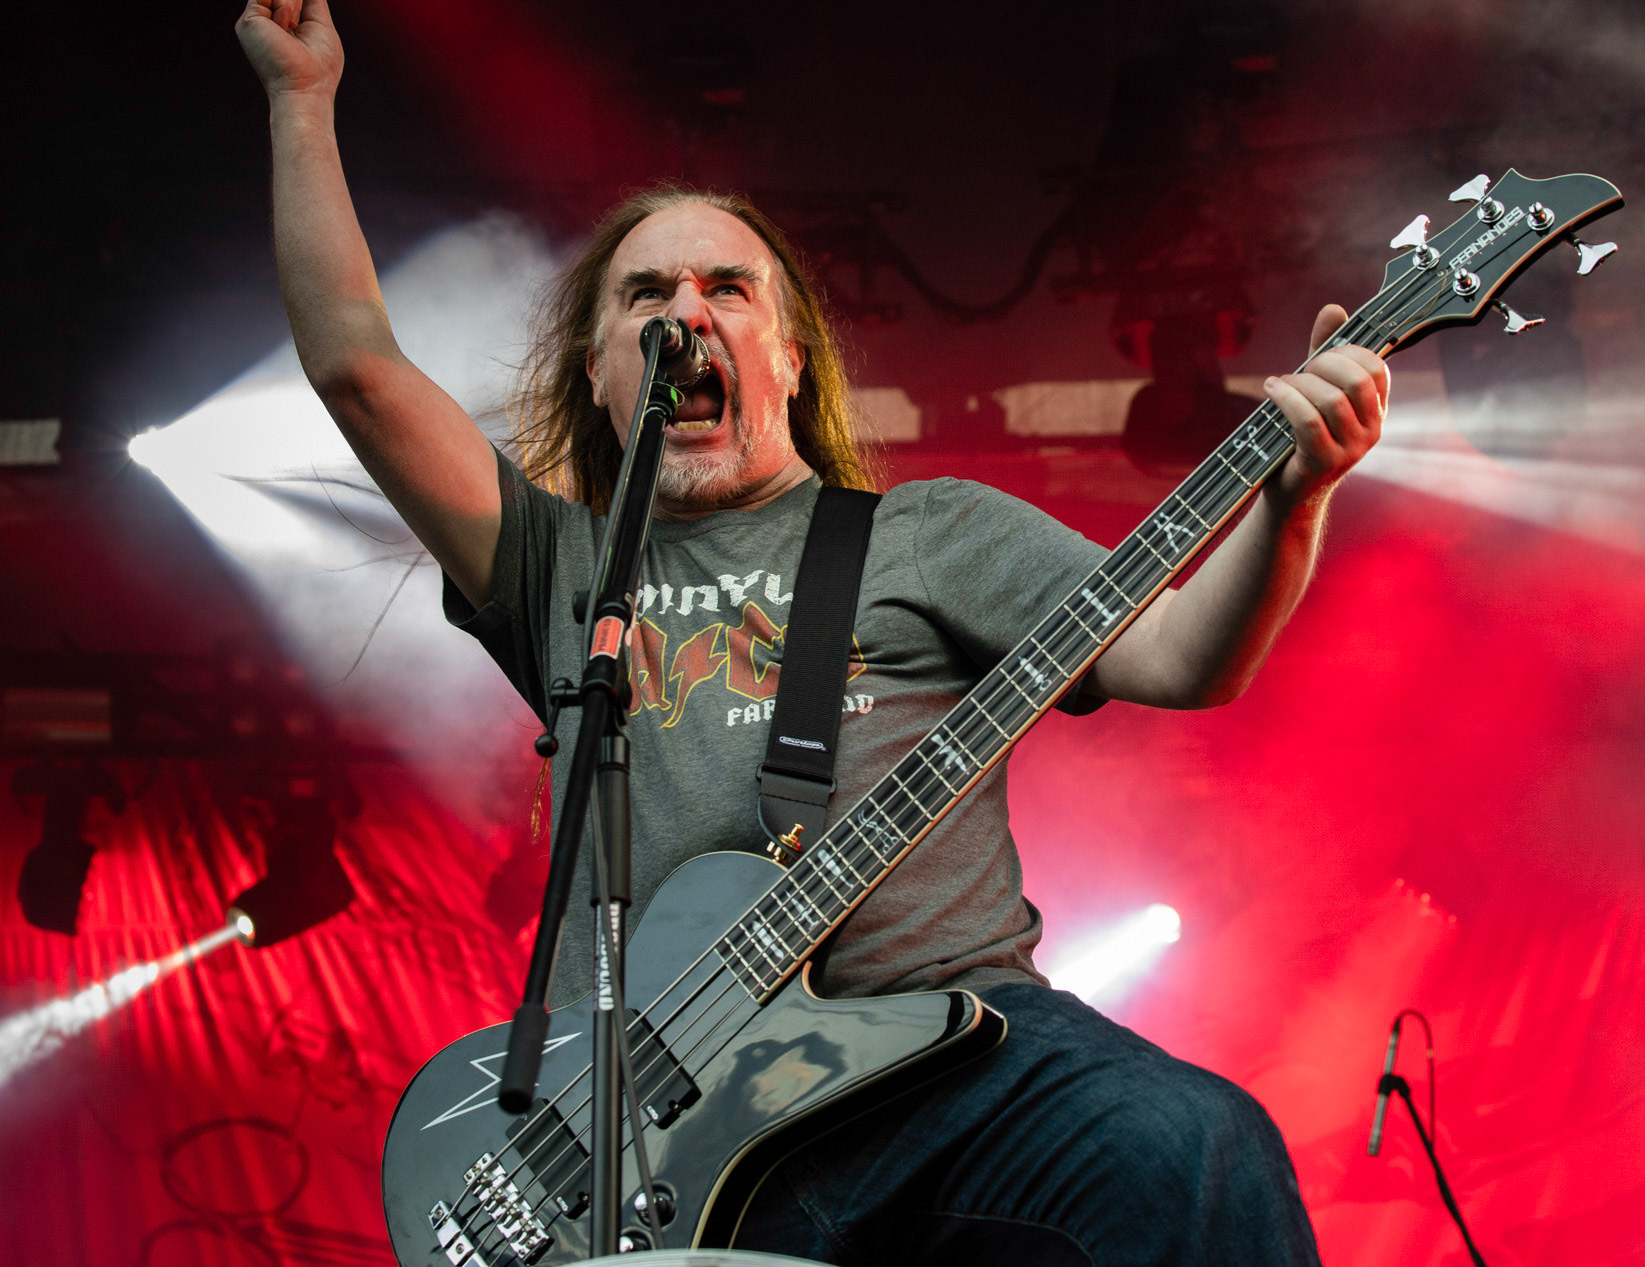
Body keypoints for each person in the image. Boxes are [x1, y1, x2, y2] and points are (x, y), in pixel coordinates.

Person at [237, 2, 1387, 1263]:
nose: (688, 309)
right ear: (604, 369)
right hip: (666, 1118)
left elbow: (1180, 658)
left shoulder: (931, 534)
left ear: (787, 355)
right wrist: (302, 100)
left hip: (951, 1059)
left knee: (1191, 1148)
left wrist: (1292, 499)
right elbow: (356, 366)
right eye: (645, 295)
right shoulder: (556, 564)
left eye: (727, 287)